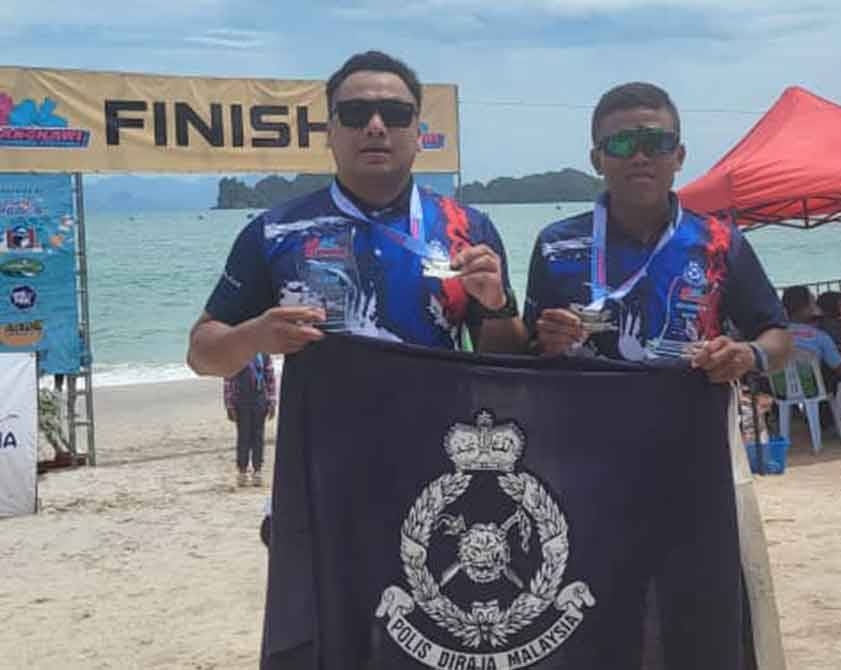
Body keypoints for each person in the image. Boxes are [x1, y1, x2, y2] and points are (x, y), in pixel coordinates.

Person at [187, 50, 526, 381]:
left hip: (441, 433)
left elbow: (508, 366)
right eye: (355, 113)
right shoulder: (275, 231)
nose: (376, 126)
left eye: (395, 113)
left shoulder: (469, 228)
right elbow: (201, 356)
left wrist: (497, 306)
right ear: (328, 133)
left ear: (418, 135)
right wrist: (254, 337)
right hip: (318, 437)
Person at [523, 82, 791, 382]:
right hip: (584, 424)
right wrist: (545, 343)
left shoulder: (720, 241)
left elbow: (779, 337)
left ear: (679, 156)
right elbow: (526, 350)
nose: (639, 157)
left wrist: (749, 355)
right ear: (597, 160)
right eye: (621, 144)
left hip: (695, 424)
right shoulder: (555, 245)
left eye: (656, 143)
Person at [782, 285, 841, 394]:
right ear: (805, 308)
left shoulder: (775, 334)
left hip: (782, 391)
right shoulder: (820, 336)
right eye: (813, 303)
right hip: (812, 391)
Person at [224, 352, 276, 487]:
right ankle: (242, 471)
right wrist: (229, 405)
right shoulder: (236, 352)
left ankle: (257, 471)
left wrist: (272, 402)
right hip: (240, 401)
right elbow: (228, 379)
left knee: (258, 437)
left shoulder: (264, 354)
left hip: (260, 400)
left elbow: (270, 378)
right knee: (243, 436)